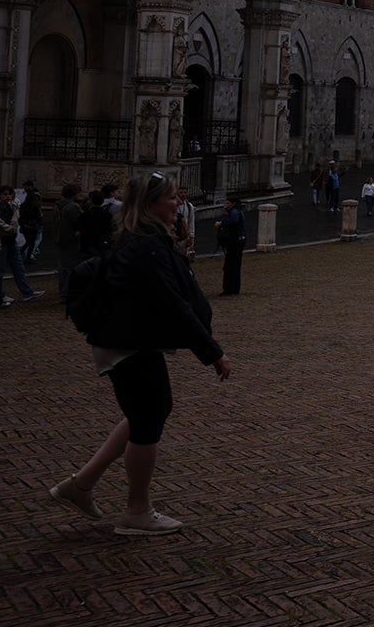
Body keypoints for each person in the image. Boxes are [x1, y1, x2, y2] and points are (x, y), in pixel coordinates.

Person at [49, 172, 231, 537]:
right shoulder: (146, 246)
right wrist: (212, 353)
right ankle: (137, 511)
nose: (178, 202)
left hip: (129, 340)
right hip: (126, 342)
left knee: (149, 412)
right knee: (148, 418)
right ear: (150, 204)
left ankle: (81, 485)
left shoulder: (144, 239)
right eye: (171, 197)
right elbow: (173, 303)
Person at [0, 186, 40, 301]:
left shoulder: (11, 207)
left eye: (10, 194)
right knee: (0, 270)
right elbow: (2, 226)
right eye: (5, 194)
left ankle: (27, 292)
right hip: (1, 242)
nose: (8, 197)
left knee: (19, 268)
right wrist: (13, 223)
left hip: (11, 241)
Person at [56, 185, 86, 301]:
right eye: (78, 193)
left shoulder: (59, 205)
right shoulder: (73, 207)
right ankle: (66, 293)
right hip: (71, 240)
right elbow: (80, 222)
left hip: (61, 239)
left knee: (63, 268)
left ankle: (63, 292)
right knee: (72, 267)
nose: (80, 194)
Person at [215, 195, 245, 296]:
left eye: (228, 203)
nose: (226, 205)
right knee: (235, 265)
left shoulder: (234, 212)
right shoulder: (238, 211)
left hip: (234, 242)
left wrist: (221, 223)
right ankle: (235, 288)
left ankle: (228, 288)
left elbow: (233, 220)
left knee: (230, 265)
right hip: (238, 241)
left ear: (233, 204)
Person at [18, 180, 45, 269]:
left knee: (30, 241)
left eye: (26, 187)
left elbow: (34, 208)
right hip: (30, 222)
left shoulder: (33, 196)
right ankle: (25, 256)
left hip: (30, 221)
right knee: (31, 241)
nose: (24, 189)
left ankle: (24, 255)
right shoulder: (32, 195)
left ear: (30, 186)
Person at [173, 187, 195, 260]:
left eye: (185, 192)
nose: (183, 194)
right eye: (181, 192)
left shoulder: (189, 206)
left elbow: (191, 222)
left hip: (184, 235)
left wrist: (191, 236)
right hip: (174, 235)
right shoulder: (173, 205)